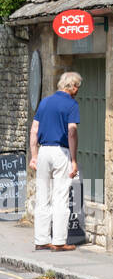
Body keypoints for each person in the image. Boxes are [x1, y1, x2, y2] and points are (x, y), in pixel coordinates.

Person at [28, 71, 81, 251]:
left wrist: (34, 156)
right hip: (60, 151)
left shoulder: (45, 102)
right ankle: (59, 241)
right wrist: (74, 160)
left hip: (43, 151)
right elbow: (72, 131)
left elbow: (34, 130)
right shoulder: (71, 104)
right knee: (60, 197)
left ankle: (41, 240)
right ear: (72, 87)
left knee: (43, 196)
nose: (77, 90)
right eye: (77, 87)